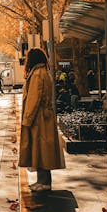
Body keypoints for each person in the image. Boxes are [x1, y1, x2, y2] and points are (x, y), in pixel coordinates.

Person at [19, 47, 65, 192]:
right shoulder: (42, 72)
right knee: (41, 150)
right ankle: (42, 180)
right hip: (43, 117)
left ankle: (44, 182)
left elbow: (34, 98)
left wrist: (27, 119)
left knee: (41, 150)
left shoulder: (37, 74)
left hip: (39, 119)